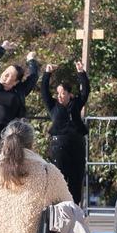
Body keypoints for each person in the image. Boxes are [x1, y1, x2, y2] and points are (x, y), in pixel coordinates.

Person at [0, 35, 38, 167]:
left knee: (5, 164)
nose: (5, 74)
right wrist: (2, 48)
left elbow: (33, 77)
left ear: (16, 81)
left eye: (10, 74)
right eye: (5, 71)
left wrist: (31, 60)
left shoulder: (20, 91)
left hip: (7, 134)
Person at [41, 61, 91, 204]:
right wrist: (47, 73)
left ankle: (75, 205)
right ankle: (58, 205)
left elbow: (85, 91)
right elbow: (44, 91)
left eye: (63, 93)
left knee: (76, 177)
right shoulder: (53, 106)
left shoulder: (76, 104)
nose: (60, 96)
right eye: (58, 93)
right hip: (59, 146)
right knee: (59, 176)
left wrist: (81, 73)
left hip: (76, 144)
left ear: (70, 94)